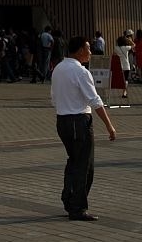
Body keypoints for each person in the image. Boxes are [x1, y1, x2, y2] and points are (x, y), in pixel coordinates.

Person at [50, 36, 116, 221]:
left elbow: (53, 98)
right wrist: (109, 125)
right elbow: (95, 100)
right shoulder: (81, 72)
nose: (90, 52)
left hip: (62, 120)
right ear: (80, 50)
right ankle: (78, 208)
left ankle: (69, 199)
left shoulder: (58, 69)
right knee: (84, 166)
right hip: (79, 120)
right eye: (88, 49)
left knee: (73, 161)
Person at [114, 32, 133, 99]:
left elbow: (114, 54)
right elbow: (134, 45)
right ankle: (124, 92)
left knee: (121, 79)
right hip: (126, 66)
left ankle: (123, 91)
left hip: (120, 66)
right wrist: (129, 40)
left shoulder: (116, 48)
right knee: (126, 79)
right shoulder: (126, 47)